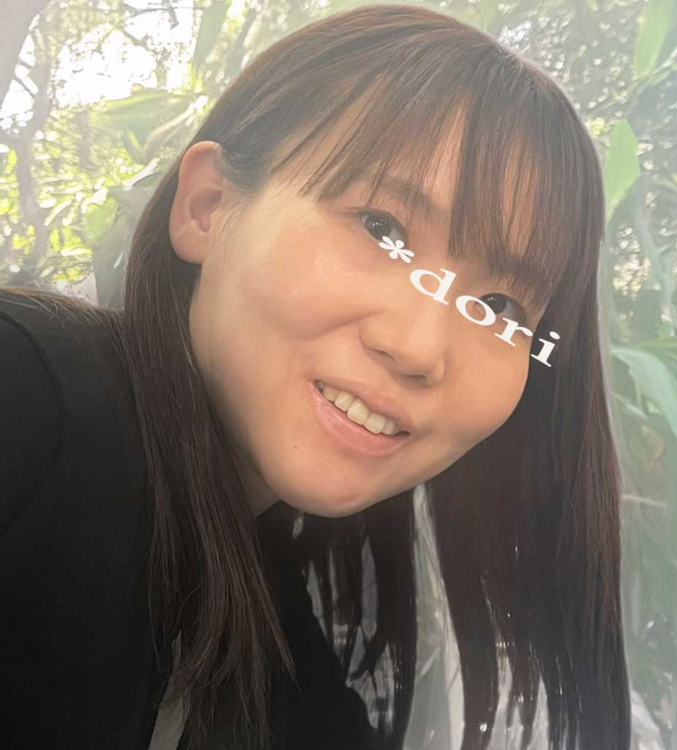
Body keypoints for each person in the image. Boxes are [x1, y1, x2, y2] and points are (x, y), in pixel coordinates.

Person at [0, 3, 631, 750]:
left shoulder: (278, 645)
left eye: (498, 307)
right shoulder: (28, 397)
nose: (420, 348)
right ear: (207, 208)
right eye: (382, 228)